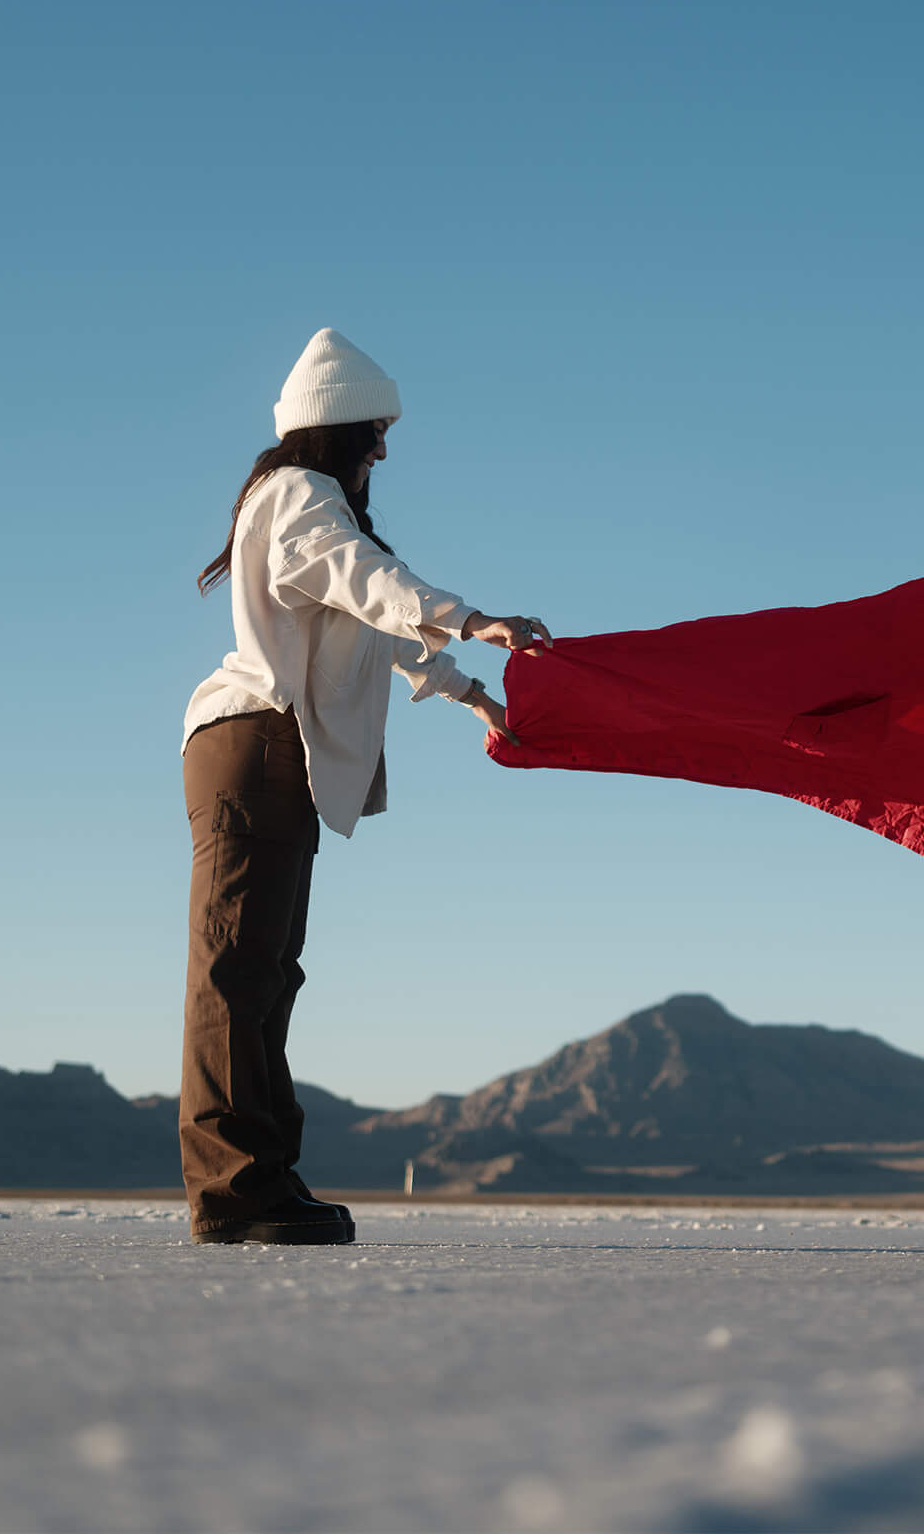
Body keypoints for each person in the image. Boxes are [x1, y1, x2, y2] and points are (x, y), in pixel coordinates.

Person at [179, 329, 550, 1245]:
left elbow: (372, 625)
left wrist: (471, 695)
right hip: (255, 738)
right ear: (339, 428)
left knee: (269, 972)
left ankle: (265, 1179)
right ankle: (234, 1192)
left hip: (276, 751)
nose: (382, 452)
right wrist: (471, 618)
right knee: (239, 970)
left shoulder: (307, 508)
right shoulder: (297, 495)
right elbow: (363, 580)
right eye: (376, 432)